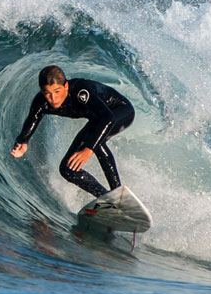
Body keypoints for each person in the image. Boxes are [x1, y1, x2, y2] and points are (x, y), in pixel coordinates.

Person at [11, 65, 136, 199]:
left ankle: (118, 194)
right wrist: (23, 141)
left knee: (95, 141)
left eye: (57, 91)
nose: (53, 98)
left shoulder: (81, 92)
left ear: (66, 86)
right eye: (47, 93)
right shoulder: (42, 101)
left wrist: (88, 149)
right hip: (97, 121)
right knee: (67, 169)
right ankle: (105, 197)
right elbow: (33, 119)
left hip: (120, 111)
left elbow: (107, 118)